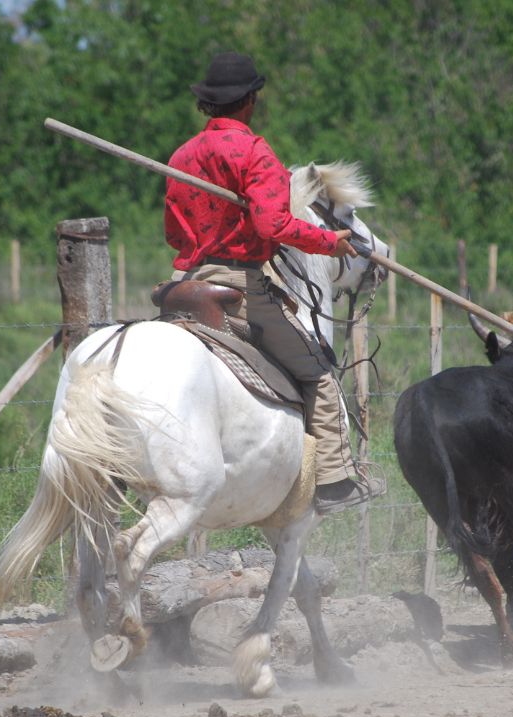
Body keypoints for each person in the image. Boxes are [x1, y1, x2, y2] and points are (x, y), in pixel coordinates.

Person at [164, 51, 385, 515]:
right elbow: (273, 226)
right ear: (249, 101)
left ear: (208, 104)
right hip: (237, 286)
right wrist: (329, 242)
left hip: (182, 282)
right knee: (319, 375)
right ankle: (334, 482)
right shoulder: (255, 152)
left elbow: (171, 232)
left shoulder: (181, 156)